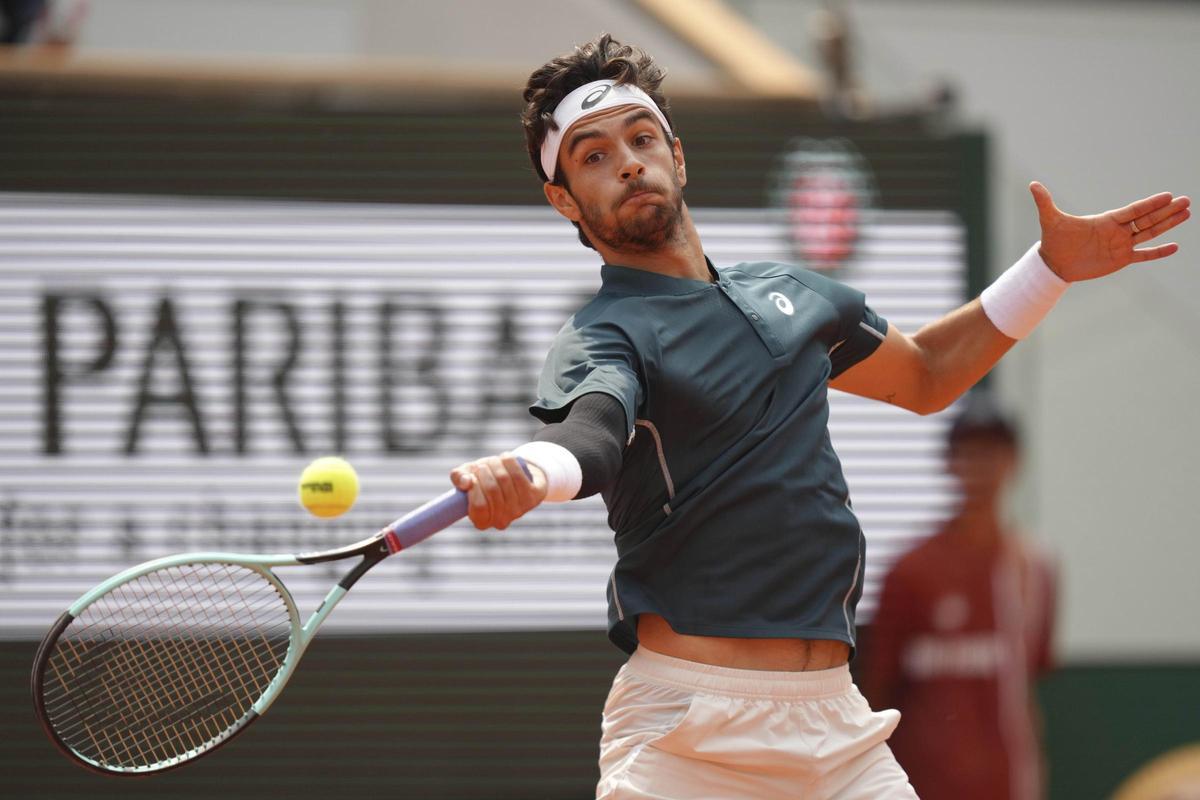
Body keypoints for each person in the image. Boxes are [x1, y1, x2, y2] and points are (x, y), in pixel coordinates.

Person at [446, 34, 1190, 799]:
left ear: (677, 156)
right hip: (688, 738)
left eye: (642, 139)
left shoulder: (794, 297)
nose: (629, 163)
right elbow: (588, 437)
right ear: (564, 199)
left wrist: (1049, 269)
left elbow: (928, 374)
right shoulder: (605, 335)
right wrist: (531, 471)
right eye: (594, 156)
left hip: (837, 729)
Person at [861, 396, 1056, 800]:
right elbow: (877, 689)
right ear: (948, 462)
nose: (979, 466)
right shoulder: (910, 570)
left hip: (1005, 783)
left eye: (992, 452)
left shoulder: (1034, 570)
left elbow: (1025, 688)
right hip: (919, 783)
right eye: (968, 452)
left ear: (1014, 461)